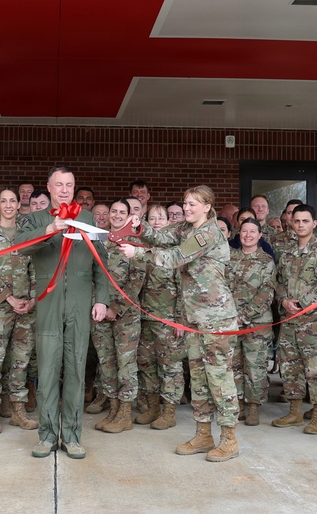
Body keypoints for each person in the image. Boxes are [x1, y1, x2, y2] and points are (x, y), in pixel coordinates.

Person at [122, 185, 240, 463]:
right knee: (198, 377)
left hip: (216, 318)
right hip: (193, 318)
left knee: (219, 378)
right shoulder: (185, 229)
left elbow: (174, 257)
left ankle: (229, 439)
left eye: (193, 204)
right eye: (185, 203)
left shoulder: (208, 233)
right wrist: (139, 228)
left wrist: (138, 253)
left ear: (208, 206)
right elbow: (161, 237)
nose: (186, 208)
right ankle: (203, 434)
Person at [17, 165, 109, 460]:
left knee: (75, 369)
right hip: (49, 303)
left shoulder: (87, 219)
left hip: (80, 303)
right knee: (47, 370)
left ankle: (71, 436)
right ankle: (46, 435)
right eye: (59, 185)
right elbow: (19, 246)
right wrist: (48, 230)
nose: (65, 189)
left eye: (70, 184)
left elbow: (101, 263)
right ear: (50, 187)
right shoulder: (35, 219)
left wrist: (101, 300)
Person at [0, 187, 38, 433]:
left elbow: (35, 267)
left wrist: (33, 298)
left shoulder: (28, 234)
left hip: (26, 308)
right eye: (4, 201)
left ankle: (17, 410)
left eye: (13, 200)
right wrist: (9, 298)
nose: (9, 205)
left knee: (21, 360)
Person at [271, 204, 317, 435]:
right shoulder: (286, 252)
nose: (300, 225)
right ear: (291, 223)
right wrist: (283, 302)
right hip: (289, 320)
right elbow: (277, 281)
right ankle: (295, 411)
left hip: (314, 321)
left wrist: (300, 304)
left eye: (305, 221)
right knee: (290, 367)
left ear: (314, 223)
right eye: (296, 221)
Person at [92, 199, 146, 435]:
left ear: (129, 216)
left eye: (121, 212)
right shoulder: (98, 241)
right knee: (106, 362)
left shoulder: (134, 244)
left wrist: (116, 307)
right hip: (99, 312)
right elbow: (90, 275)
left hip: (126, 315)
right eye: (113, 211)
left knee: (125, 364)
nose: (116, 215)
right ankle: (113, 409)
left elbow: (136, 281)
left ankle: (125, 413)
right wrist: (99, 305)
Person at [134, 204, 184, 430]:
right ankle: (153, 407)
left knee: (170, 366)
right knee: (146, 363)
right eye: (151, 218)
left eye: (160, 218)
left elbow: (183, 287)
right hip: (143, 317)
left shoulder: (174, 251)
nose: (156, 222)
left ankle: (169, 412)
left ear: (168, 222)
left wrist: (180, 319)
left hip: (167, 319)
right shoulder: (139, 249)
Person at [225, 217, 276, 426]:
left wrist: (243, 316)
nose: (247, 235)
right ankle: (239, 404)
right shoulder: (229, 257)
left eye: (252, 232)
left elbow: (266, 293)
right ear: (239, 234)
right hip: (231, 322)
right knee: (234, 365)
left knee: (255, 366)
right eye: (244, 231)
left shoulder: (266, 261)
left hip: (257, 324)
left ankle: (254, 406)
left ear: (260, 235)